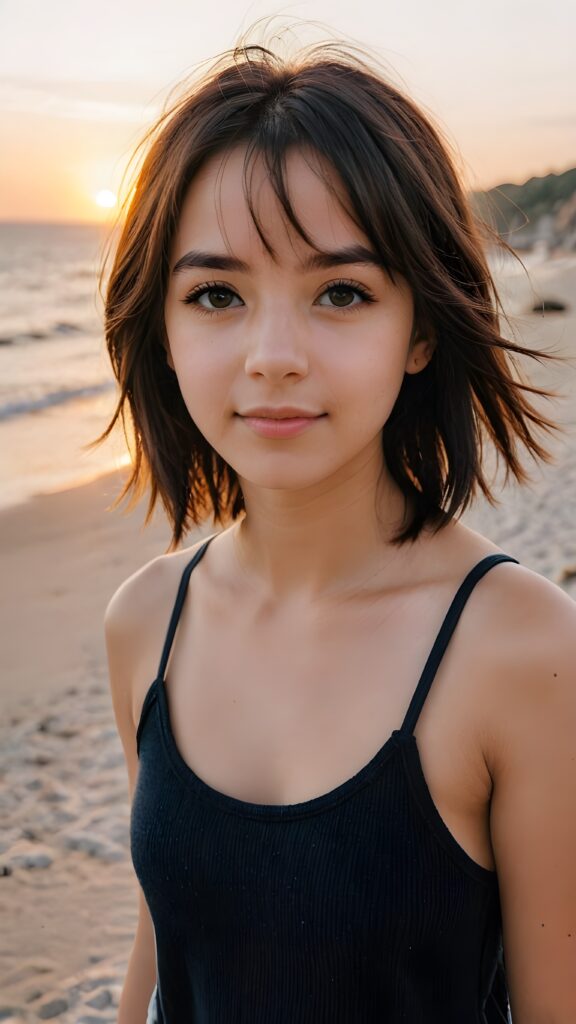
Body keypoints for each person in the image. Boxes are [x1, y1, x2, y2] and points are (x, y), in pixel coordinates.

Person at [95, 35, 576, 1024]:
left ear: (422, 328)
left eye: (342, 293)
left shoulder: (525, 648)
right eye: (217, 294)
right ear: (164, 327)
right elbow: (169, 934)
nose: (273, 356)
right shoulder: (145, 618)